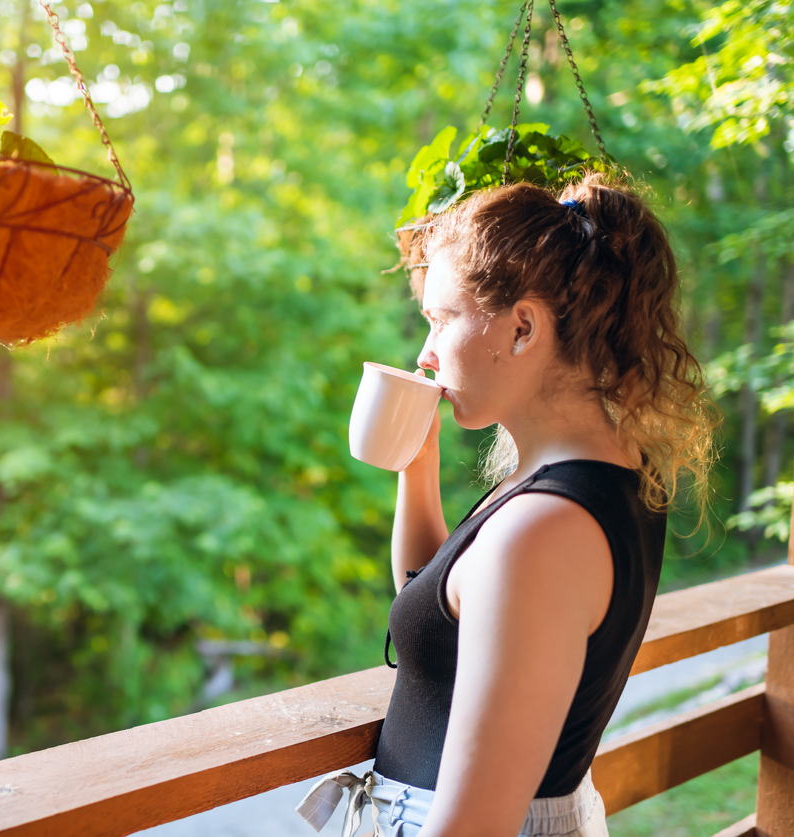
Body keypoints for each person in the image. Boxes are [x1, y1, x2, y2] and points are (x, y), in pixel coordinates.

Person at [297, 173, 716, 837]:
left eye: (440, 319)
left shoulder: (541, 532)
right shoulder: (584, 480)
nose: (425, 353)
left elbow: (473, 825)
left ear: (523, 328)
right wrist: (418, 467)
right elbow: (437, 599)